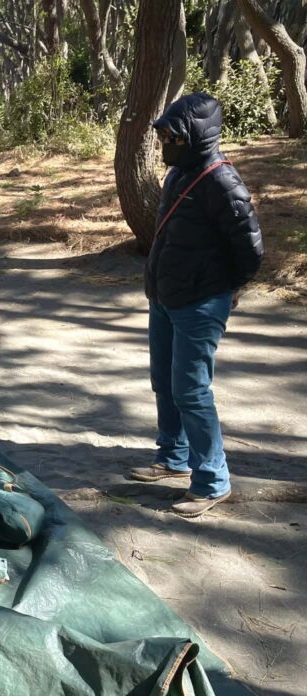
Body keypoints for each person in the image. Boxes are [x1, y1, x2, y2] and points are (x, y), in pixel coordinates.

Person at [130, 93, 263, 519]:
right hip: (165, 297)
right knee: (164, 382)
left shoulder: (221, 181)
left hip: (200, 304)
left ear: (195, 135)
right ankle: (173, 456)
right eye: (163, 136)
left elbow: (251, 248)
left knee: (191, 390)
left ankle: (212, 481)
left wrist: (229, 286)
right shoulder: (178, 175)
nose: (165, 143)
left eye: (172, 136)